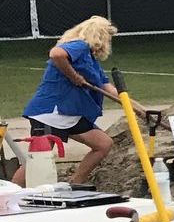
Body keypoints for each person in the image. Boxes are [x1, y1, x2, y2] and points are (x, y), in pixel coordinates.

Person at [22, 16, 126, 185]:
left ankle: (76, 183)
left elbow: (106, 86)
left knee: (103, 144)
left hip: (71, 113)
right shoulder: (79, 46)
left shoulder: (91, 61)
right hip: (51, 112)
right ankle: (13, 191)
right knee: (39, 158)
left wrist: (131, 105)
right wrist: (74, 76)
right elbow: (56, 54)